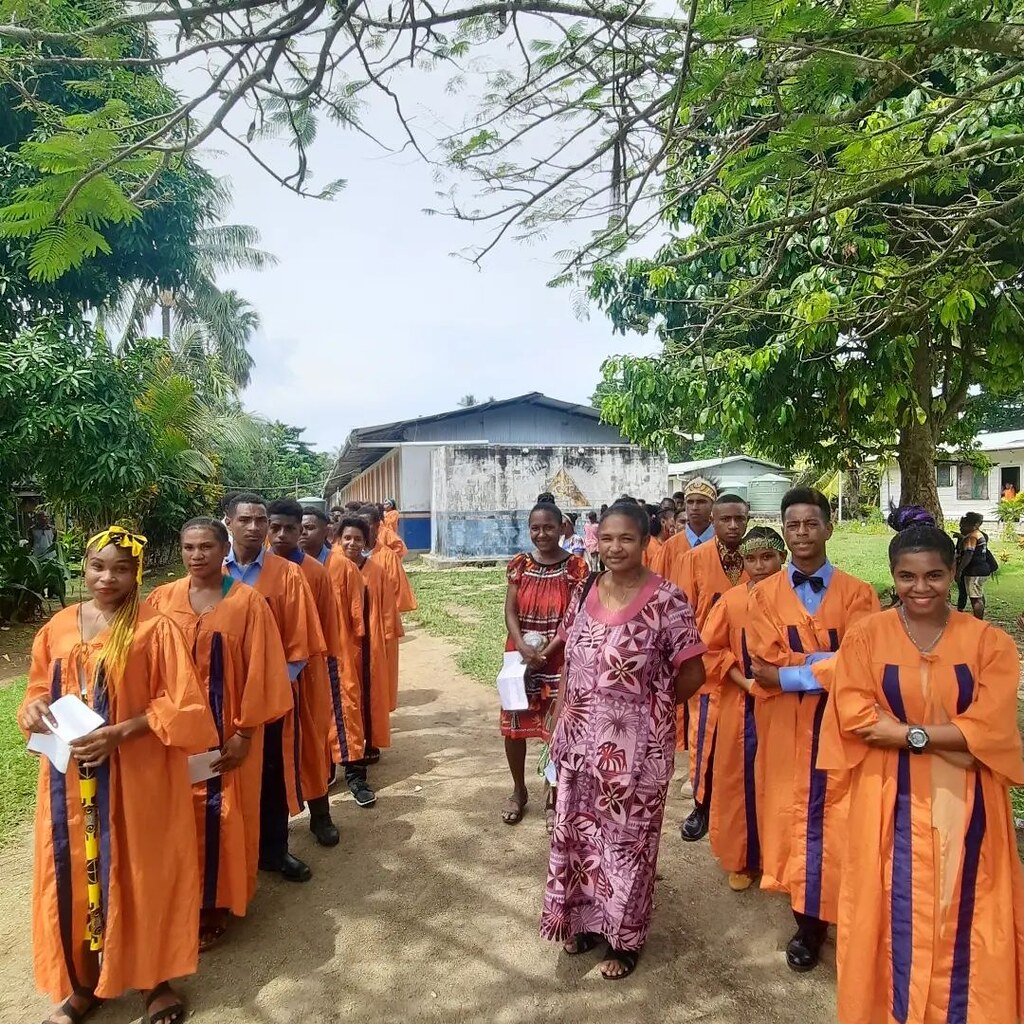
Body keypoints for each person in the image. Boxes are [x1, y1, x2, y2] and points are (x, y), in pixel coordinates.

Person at [819, 524, 1024, 1023]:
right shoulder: (868, 635)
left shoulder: (989, 643)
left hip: (969, 804)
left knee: (967, 909)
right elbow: (857, 716)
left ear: (953, 572)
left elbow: (992, 729)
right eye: (907, 576)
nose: (921, 587)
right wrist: (955, 739)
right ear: (893, 576)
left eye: (934, 575)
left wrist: (907, 734)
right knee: (890, 908)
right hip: (889, 797)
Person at [20, 527, 216, 1024]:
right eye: (98, 566)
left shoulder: (154, 628)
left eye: (121, 569)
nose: (107, 577)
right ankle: (85, 984)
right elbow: (39, 686)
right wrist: (33, 706)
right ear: (83, 568)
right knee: (75, 874)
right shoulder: (58, 626)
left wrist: (120, 733)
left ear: (136, 574)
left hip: (137, 774)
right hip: (70, 780)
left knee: (142, 871)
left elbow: (183, 703)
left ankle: (154, 981)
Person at [540, 502, 707, 980]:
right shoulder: (585, 590)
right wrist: (560, 718)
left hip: (637, 753)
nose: (615, 548)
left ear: (646, 542)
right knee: (580, 836)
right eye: (607, 538)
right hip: (578, 742)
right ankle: (585, 922)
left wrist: (649, 711)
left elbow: (693, 672)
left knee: (628, 845)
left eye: (626, 539)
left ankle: (624, 938)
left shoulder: (667, 600)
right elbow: (571, 660)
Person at [746, 486, 880, 972]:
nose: (802, 532)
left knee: (841, 817)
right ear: (785, 531)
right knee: (794, 818)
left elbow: (863, 661)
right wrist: (829, 662)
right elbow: (762, 661)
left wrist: (791, 672)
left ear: (829, 527)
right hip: (786, 727)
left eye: (810, 523)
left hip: (843, 724)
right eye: (793, 525)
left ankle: (848, 913)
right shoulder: (762, 596)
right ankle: (807, 921)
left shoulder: (859, 594)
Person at [148, 518, 292, 949]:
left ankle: (216, 902)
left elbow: (264, 672)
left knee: (224, 815)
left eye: (206, 547)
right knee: (174, 815)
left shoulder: (247, 603)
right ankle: (180, 897)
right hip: (174, 734)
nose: (197, 555)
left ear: (223, 548)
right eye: (189, 547)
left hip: (227, 731)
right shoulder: (161, 600)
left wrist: (245, 733)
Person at [224, 493, 325, 883]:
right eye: (245, 520)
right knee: (224, 775)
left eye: (260, 520)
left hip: (272, 697)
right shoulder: (213, 573)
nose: (254, 527)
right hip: (220, 697)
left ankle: (274, 851)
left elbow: (300, 642)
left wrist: (268, 691)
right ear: (228, 523)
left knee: (271, 772)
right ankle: (231, 855)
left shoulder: (287, 575)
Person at [701, 526, 786, 892]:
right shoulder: (732, 601)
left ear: (782, 557)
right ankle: (744, 858)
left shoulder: (795, 600)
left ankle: (780, 860)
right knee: (741, 782)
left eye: (767, 557)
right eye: (751, 558)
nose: (760, 565)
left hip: (788, 704)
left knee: (783, 783)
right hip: (743, 704)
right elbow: (711, 649)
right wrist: (744, 682)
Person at [502, 501, 588, 829]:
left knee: (556, 731)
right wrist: (522, 646)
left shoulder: (575, 567)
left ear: (562, 528)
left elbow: (575, 617)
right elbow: (510, 610)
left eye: (549, 527)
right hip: (520, 659)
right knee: (514, 727)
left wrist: (548, 651)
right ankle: (518, 789)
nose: (542, 534)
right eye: (535, 528)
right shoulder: (520, 565)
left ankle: (553, 796)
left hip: (559, 658)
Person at [674, 493, 750, 843]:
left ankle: (742, 809)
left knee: (746, 741)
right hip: (707, 665)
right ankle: (701, 806)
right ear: (713, 521)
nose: (733, 526)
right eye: (725, 519)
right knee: (705, 738)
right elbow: (682, 614)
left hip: (750, 667)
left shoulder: (759, 557)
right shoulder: (693, 560)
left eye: (739, 519)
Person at [267, 499, 342, 846]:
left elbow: (327, 628)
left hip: (308, 673)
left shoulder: (315, 572)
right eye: (275, 527)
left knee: (311, 746)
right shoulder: (248, 574)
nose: (282, 535)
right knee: (271, 752)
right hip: (263, 677)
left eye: (290, 528)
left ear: (301, 531)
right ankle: (273, 826)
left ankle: (321, 816)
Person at [336, 516, 393, 807]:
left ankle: (365, 748)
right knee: (342, 702)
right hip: (339, 646)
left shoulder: (375, 571)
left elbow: (386, 610)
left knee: (366, 697)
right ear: (338, 539)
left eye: (358, 538)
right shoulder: (329, 568)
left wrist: (385, 640)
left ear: (366, 542)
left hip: (367, 645)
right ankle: (339, 760)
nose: (352, 543)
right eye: (347, 537)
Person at [359, 504, 416, 715]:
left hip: (381, 622)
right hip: (353, 624)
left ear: (377, 527)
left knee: (382, 671)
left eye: (368, 525)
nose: (364, 530)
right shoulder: (344, 554)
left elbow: (397, 595)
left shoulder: (387, 557)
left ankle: (380, 713)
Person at [956, 512, 996, 620]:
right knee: (979, 595)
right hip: (982, 570)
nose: (961, 528)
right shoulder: (979, 534)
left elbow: (968, 554)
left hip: (975, 572)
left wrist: (959, 570)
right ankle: (980, 620)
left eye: (963, 525)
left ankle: (979, 621)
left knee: (975, 599)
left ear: (972, 525)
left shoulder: (972, 536)